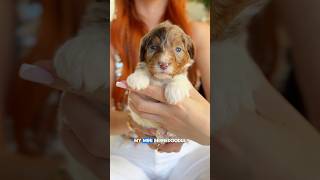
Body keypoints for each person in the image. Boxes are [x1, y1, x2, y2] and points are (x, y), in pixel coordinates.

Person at [20, 0, 210, 179]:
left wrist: (199, 127)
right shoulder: (106, 37)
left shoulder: (197, 33)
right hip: (127, 152)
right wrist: (135, 123)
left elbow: (225, 121)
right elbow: (100, 112)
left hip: (190, 151)